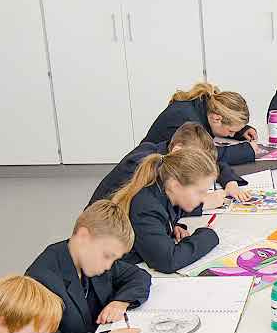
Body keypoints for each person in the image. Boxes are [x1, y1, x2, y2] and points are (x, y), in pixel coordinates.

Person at [25, 200, 149, 333]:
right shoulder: (42, 279)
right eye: (107, 256)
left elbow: (139, 276)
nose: (109, 266)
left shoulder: (92, 258)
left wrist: (120, 301)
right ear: (83, 237)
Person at [110, 147, 220, 273]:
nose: (203, 199)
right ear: (175, 185)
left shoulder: (164, 191)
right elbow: (168, 261)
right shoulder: (146, 207)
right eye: (199, 192)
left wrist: (170, 228)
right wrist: (207, 236)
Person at [89, 121, 247, 206]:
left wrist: (230, 182)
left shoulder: (169, 152)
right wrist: (201, 202)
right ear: (178, 150)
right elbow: (155, 206)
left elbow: (214, 163)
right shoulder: (144, 165)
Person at [142, 83, 260, 166]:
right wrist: (246, 151)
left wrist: (241, 131)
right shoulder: (188, 121)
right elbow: (203, 154)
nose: (232, 134)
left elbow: (224, 125)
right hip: (146, 171)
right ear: (217, 119)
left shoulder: (204, 106)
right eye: (231, 131)